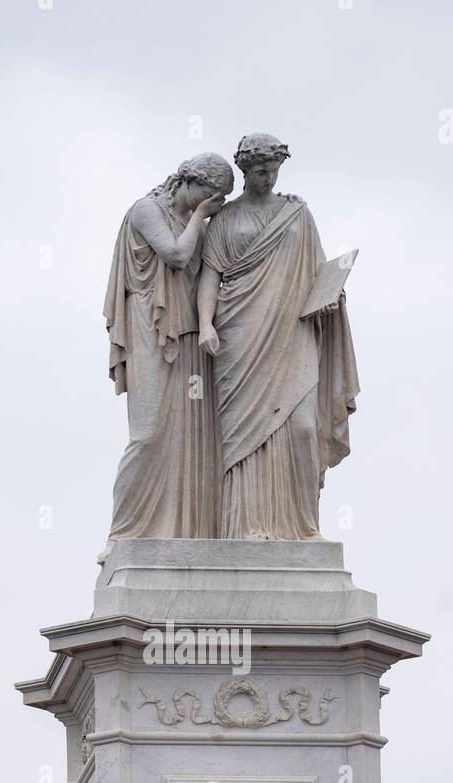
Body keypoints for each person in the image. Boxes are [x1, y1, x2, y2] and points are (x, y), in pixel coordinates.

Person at [198, 132, 360, 540]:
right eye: (258, 172)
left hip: (293, 330)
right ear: (244, 171)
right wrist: (204, 324)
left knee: (302, 427)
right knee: (244, 435)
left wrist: (330, 296)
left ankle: (303, 528)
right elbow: (210, 275)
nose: (267, 178)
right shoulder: (226, 219)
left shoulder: (297, 214)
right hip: (240, 333)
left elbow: (318, 269)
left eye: (272, 170)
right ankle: (247, 527)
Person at [100, 152, 235, 559]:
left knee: (192, 434)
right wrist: (201, 218)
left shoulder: (201, 225)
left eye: (220, 201)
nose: (213, 207)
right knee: (150, 432)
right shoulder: (147, 210)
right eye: (210, 197)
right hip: (151, 326)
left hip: (190, 330)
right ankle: (122, 533)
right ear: (187, 183)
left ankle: (186, 530)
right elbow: (175, 257)